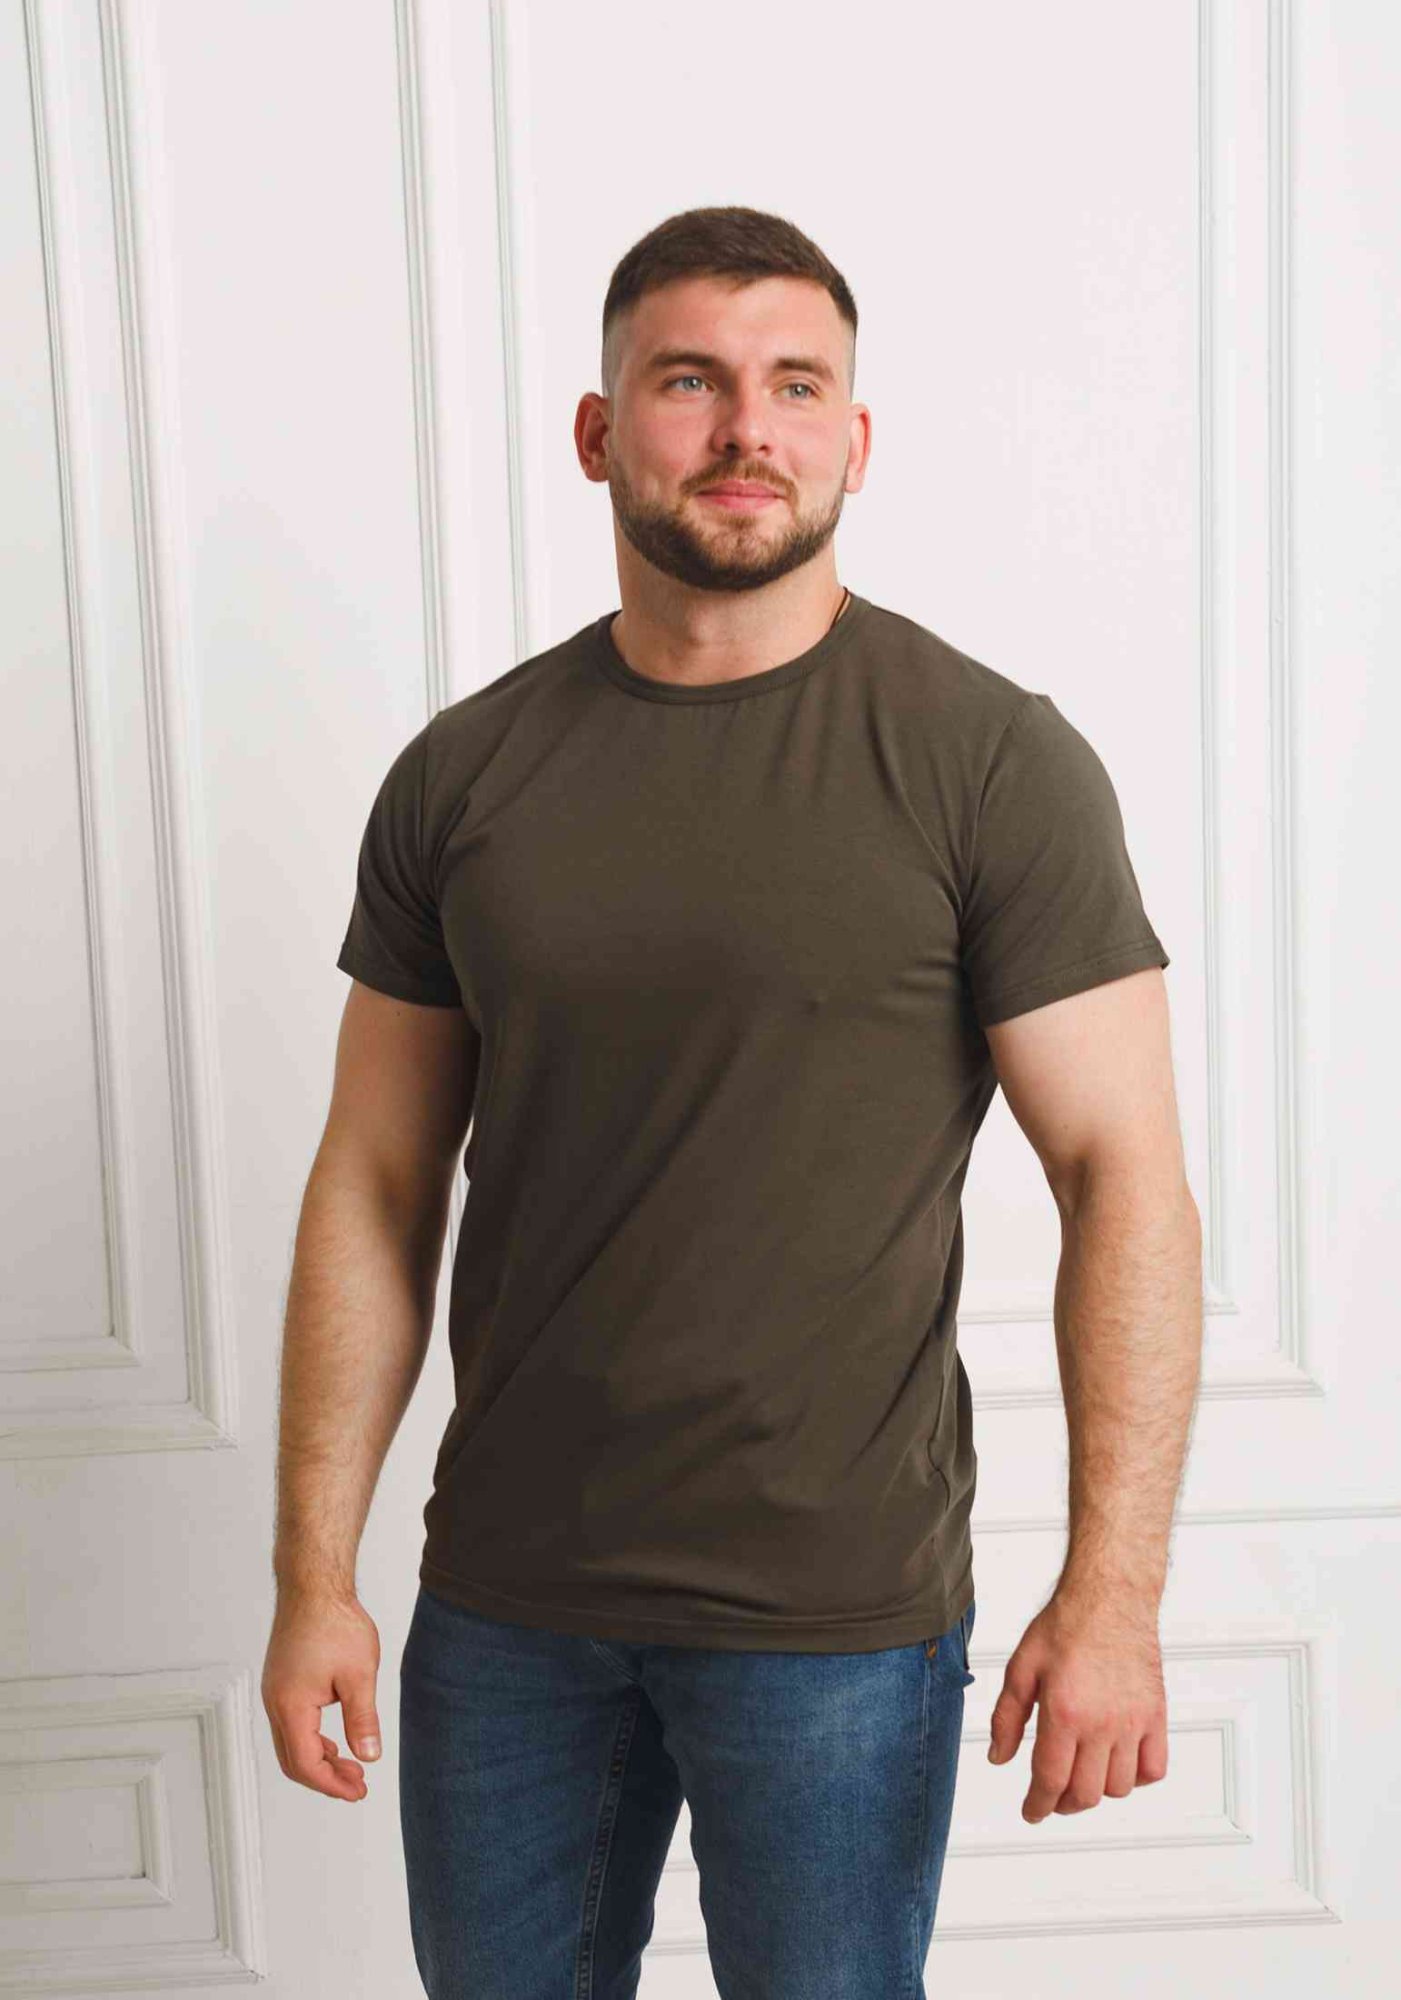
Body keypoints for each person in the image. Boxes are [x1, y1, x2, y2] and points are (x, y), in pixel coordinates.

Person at [261, 205, 1202, 1998]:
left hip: (830, 1616)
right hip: (506, 1606)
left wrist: (1115, 1596)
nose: (745, 430)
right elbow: (373, 1183)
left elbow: (1122, 1179)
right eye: (688, 382)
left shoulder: (988, 762)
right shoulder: (465, 775)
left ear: (856, 438)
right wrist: (315, 1576)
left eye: (795, 386)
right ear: (599, 430)